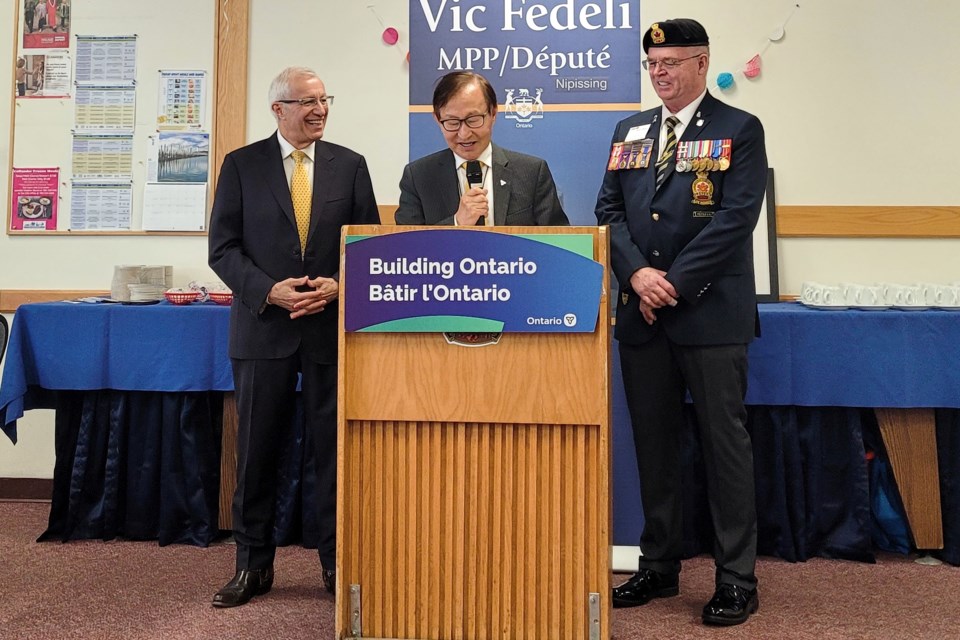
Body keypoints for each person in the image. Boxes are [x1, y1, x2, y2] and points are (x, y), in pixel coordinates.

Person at [594, 19, 768, 626]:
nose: (660, 74)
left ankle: (736, 578)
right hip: (642, 317)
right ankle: (660, 564)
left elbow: (735, 217)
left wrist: (671, 284)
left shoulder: (739, 129)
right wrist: (638, 275)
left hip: (710, 315)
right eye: (652, 65)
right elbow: (608, 211)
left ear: (701, 62)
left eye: (670, 62)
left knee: (725, 448)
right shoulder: (630, 129)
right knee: (654, 446)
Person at [208, 66, 379, 608]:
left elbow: (368, 247)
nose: (320, 109)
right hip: (264, 329)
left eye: (325, 99)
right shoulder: (241, 166)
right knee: (257, 451)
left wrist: (340, 284)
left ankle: (334, 562)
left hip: (330, 329)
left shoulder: (350, 166)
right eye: (307, 101)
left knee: (332, 454)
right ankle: (252, 565)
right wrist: (269, 291)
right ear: (278, 109)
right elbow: (223, 249)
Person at [394, 71, 568, 226]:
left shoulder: (532, 172)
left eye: (473, 119)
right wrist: (457, 222)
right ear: (438, 120)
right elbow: (405, 248)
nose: (464, 134)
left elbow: (560, 244)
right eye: (452, 122)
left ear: (493, 113)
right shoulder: (418, 177)